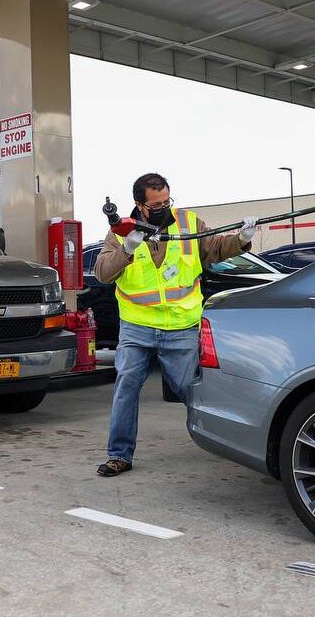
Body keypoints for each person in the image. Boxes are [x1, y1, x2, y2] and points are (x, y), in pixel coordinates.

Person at [92, 172, 256, 477]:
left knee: (189, 390)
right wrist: (127, 249)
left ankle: (226, 441)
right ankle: (119, 455)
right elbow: (102, 273)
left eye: (167, 200)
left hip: (180, 326)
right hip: (136, 328)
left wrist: (242, 239)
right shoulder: (119, 233)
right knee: (126, 388)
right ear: (139, 205)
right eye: (156, 204)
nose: (164, 207)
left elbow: (215, 248)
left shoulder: (188, 224)